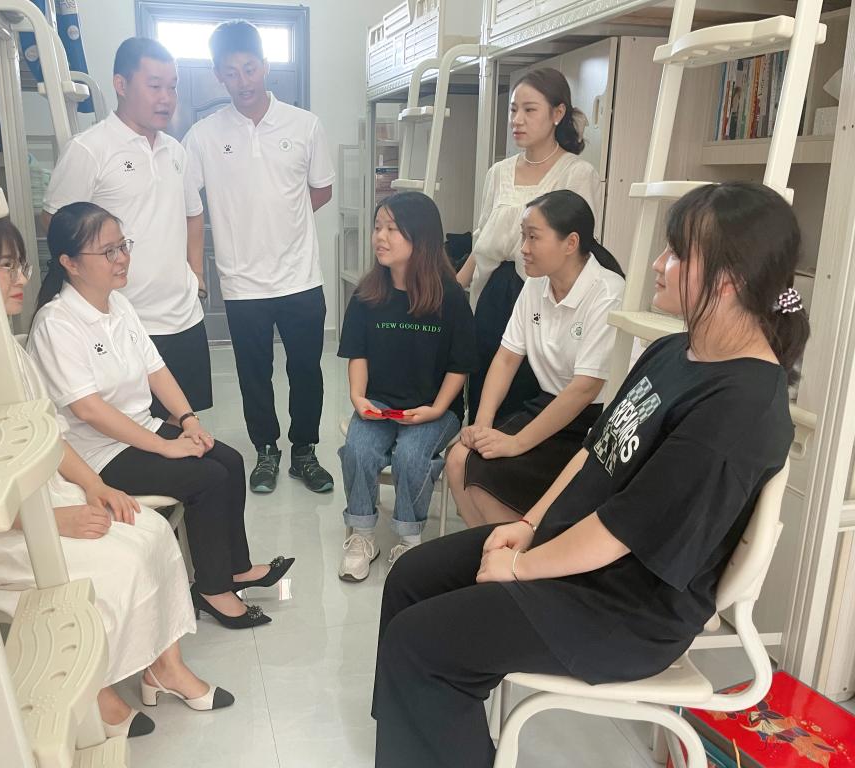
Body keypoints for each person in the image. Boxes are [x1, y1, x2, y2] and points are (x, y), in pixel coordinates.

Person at [372, 182, 810, 768]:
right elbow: (594, 453)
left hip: (624, 611)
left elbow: (624, 530)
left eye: (677, 253)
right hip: (573, 555)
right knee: (411, 579)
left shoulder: (740, 406)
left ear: (727, 280)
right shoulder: (674, 351)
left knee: (421, 645)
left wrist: (520, 568)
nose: (658, 264)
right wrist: (529, 525)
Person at [0, 219, 234, 740]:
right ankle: (94, 692)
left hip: (43, 498)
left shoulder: (2, 346)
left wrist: (95, 487)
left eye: (20, 265)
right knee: (111, 563)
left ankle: (164, 667)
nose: (22, 278)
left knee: (149, 530)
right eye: (6, 266)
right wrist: (53, 520)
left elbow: (48, 434)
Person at [28, 202, 294, 631]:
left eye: (123, 246)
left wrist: (188, 420)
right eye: (108, 252)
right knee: (207, 478)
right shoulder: (56, 323)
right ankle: (212, 589)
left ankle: (235, 568)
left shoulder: (119, 306)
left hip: (142, 432)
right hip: (98, 454)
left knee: (229, 460)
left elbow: (156, 370)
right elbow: (88, 409)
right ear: (69, 263)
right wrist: (165, 446)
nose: (122, 259)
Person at [183, 20, 335, 495]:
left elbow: (321, 189)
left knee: (306, 372)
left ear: (265, 66)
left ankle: (304, 451)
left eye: (250, 68)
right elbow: (188, 204)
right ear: (218, 75)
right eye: (231, 73)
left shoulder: (305, 125)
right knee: (253, 375)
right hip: (242, 282)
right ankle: (266, 450)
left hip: (300, 277)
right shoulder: (203, 136)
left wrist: (283, 220)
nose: (243, 80)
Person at [42, 37, 212, 420]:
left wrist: (197, 275)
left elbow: (193, 214)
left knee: (184, 422)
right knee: (137, 429)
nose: (166, 98)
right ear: (121, 84)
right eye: (154, 86)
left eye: (172, 87)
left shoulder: (176, 151)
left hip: (183, 315)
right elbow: (56, 223)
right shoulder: (90, 149)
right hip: (123, 318)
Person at [446, 190, 624, 527]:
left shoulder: (607, 293)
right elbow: (506, 358)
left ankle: (515, 552)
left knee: (484, 481)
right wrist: (482, 423)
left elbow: (584, 389)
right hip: (546, 405)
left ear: (570, 243)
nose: (523, 248)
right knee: (459, 460)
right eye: (522, 236)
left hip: (592, 420)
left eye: (533, 237)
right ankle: (493, 551)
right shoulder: (535, 285)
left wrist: (516, 443)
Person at [336, 193, 476, 582]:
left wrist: (437, 409)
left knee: (411, 457)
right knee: (358, 450)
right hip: (379, 403)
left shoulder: (449, 296)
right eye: (377, 227)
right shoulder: (367, 293)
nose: (380, 237)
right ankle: (363, 536)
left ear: (421, 236)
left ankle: (409, 540)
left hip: (435, 408)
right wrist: (358, 397)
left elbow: (460, 366)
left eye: (392, 229)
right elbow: (357, 353)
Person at [457, 68, 601, 424]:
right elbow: (482, 239)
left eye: (529, 110)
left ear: (558, 113)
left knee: (527, 394)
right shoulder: (498, 173)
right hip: (492, 295)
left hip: (542, 296)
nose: (517, 120)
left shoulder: (577, 173)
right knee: (484, 386)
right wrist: (453, 287)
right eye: (513, 110)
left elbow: (581, 249)